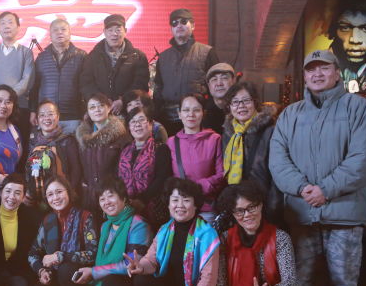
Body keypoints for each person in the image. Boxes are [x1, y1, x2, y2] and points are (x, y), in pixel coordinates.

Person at [269, 50, 366, 286]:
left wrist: (326, 190)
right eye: (311, 69)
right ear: (304, 76)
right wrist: (302, 187)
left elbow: (363, 160)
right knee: (304, 281)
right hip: (302, 214)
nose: (317, 74)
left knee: (343, 284)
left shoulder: (358, 109)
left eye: (324, 68)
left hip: (343, 215)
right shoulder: (291, 115)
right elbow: (278, 159)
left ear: (336, 72)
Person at [73, 177, 153, 286]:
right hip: (111, 282)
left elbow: (131, 265)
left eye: (111, 196)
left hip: (133, 282)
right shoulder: (106, 226)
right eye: (102, 198)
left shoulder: (138, 223)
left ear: (123, 198)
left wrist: (94, 272)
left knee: (112, 285)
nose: (106, 202)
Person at [28, 176, 99, 286]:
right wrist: (41, 270)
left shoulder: (85, 217)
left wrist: (61, 256)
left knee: (66, 269)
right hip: (56, 279)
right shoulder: (48, 220)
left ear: (69, 192)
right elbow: (32, 253)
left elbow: (93, 253)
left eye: (59, 192)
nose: (55, 198)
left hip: (80, 279)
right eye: (50, 194)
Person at [222, 82, 282, 224]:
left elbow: (278, 174)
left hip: (265, 205)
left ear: (255, 102)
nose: (241, 106)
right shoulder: (228, 134)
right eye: (235, 102)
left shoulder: (271, 131)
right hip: (238, 206)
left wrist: (273, 208)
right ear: (229, 107)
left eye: (246, 100)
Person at [154, 9, 219, 134]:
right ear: (171, 29)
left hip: (198, 120)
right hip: (169, 121)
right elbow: (158, 90)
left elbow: (216, 87)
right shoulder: (163, 57)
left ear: (193, 25)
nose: (179, 25)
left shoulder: (207, 52)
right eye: (174, 23)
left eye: (184, 21)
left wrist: (208, 113)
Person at [167, 93, 225, 222]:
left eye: (196, 110)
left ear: (203, 113)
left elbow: (222, 174)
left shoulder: (214, 139)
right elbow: (168, 177)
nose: (191, 114)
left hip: (205, 208)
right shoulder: (171, 142)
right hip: (180, 208)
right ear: (179, 114)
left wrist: (196, 187)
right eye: (186, 110)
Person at [0, 11, 35, 139]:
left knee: (20, 142)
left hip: (19, 108)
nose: (7, 26)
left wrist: (9, 98)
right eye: (3, 23)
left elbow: (27, 79)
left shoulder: (26, 53)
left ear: (18, 27)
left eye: (10, 22)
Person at [80, 14, 149, 115]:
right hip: (101, 112)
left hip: (130, 112)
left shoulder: (138, 56)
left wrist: (123, 100)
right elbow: (86, 84)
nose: (114, 34)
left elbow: (141, 84)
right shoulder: (92, 56)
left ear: (125, 31)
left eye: (118, 30)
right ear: (104, 32)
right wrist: (101, 100)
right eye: (110, 30)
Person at [76, 93, 131, 217]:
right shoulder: (83, 137)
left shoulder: (121, 135)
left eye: (101, 105)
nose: (97, 110)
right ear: (88, 112)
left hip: (112, 196)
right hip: (89, 196)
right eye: (92, 107)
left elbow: (124, 170)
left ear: (109, 108)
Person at [118, 106, 171, 229]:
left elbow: (162, 179)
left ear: (151, 124)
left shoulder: (161, 148)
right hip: (127, 209)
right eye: (133, 121)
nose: (137, 124)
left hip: (154, 209)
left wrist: (141, 200)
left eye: (141, 120)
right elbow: (118, 178)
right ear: (129, 127)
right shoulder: (125, 150)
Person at [31, 18, 87, 134]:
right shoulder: (42, 58)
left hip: (74, 116)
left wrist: (86, 110)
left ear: (70, 33)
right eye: (55, 30)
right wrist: (33, 110)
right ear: (50, 35)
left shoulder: (82, 56)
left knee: (72, 145)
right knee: (48, 146)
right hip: (47, 117)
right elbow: (34, 87)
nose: (59, 32)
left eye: (63, 29)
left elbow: (86, 86)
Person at [25, 100, 82, 209]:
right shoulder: (33, 141)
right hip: (39, 196)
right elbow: (30, 168)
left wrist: (69, 192)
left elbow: (76, 170)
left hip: (62, 197)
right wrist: (29, 190)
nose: (46, 118)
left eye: (50, 114)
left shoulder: (68, 140)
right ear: (37, 119)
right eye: (42, 115)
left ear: (58, 117)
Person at [202, 63, 236, 134]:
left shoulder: (241, 109)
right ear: (209, 85)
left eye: (224, 78)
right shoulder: (201, 113)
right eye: (214, 79)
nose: (219, 84)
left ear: (233, 81)